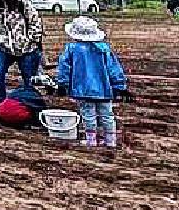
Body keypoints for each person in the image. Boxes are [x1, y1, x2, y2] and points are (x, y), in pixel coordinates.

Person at [55, 16, 131, 148]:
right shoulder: (104, 49)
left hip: (82, 89)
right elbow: (114, 68)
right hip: (104, 89)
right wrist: (120, 86)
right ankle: (110, 141)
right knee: (107, 114)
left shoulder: (72, 48)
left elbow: (64, 68)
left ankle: (91, 140)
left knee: (88, 114)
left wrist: (62, 84)